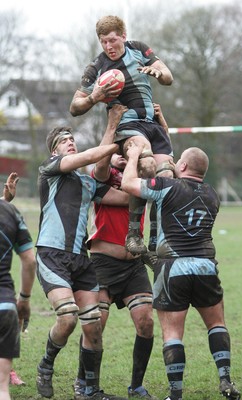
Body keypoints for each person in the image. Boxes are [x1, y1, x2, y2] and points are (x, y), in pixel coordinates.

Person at [121, 145, 241, 400]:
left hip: (172, 268)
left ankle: (175, 394)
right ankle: (226, 380)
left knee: (173, 333)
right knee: (217, 324)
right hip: (206, 266)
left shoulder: (168, 186)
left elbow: (129, 184)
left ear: (182, 167)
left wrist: (132, 157)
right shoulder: (212, 195)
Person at [35, 106, 129, 399]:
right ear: (55, 150)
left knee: (94, 327)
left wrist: (146, 170)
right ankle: (45, 365)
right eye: (64, 140)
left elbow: (125, 197)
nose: (70, 141)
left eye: (71, 137)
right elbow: (90, 157)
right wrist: (114, 135)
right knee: (68, 318)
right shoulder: (50, 169)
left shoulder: (88, 181)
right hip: (51, 254)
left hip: (80, 260)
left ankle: (89, 390)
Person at [70, 15, 174, 255]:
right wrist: (94, 97)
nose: (109, 46)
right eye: (103, 42)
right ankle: (134, 233)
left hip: (153, 124)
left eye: (113, 40)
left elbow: (168, 76)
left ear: (123, 37)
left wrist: (158, 73)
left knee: (167, 176)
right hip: (128, 127)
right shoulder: (96, 68)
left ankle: (156, 237)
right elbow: (74, 107)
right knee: (147, 164)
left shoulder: (138, 49)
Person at [73, 143, 156, 400]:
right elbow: (99, 165)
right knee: (95, 325)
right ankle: (83, 383)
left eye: (127, 152)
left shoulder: (141, 179)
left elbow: (157, 162)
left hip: (133, 264)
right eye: (117, 152)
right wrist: (114, 154)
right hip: (102, 263)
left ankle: (136, 386)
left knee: (146, 323)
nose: (123, 156)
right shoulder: (103, 176)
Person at [0, 173, 36, 400]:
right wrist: (24, 297)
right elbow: (30, 260)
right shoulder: (10, 212)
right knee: (2, 391)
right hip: (5, 304)